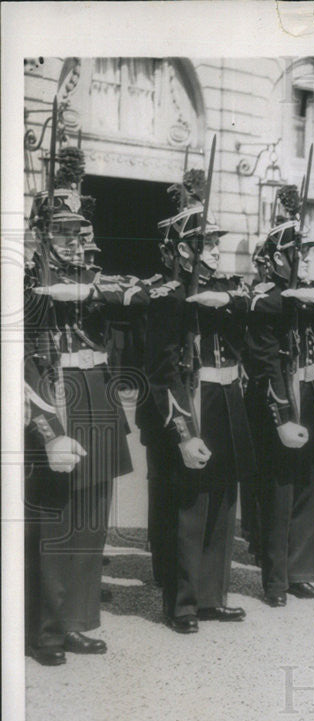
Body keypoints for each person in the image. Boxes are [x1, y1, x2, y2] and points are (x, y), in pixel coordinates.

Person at [25, 148, 134, 662]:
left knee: (91, 519)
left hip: (97, 400)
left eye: (82, 230)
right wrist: (48, 430)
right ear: (43, 232)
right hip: (57, 403)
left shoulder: (91, 283)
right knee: (54, 521)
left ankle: (76, 620)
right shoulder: (26, 287)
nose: (80, 239)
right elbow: (23, 367)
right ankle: (45, 630)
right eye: (67, 231)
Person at [142, 169, 254, 633]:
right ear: (184, 249)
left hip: (225, 398)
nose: (214, 251)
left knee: (223, 501)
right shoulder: (169, 296)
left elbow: (249, 309)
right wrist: (184, 434)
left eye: (215, 244)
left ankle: (212, 595)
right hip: (193, 402)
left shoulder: (222, 290)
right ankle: (183, 603)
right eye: (206, 244)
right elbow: (161, 373)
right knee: (189, 505)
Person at [244, 186, 314, 607]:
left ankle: (303, 571)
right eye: (296, 253)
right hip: (282, 398)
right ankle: (275, 580)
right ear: (276, 259)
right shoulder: (265, 300)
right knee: (280, 489)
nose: (304, 258)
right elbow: (265, 363)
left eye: (305, 252)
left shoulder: (312, 294)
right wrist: (282, 415)